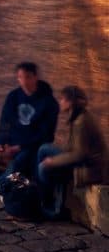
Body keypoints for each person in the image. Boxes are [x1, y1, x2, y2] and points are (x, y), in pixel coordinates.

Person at [0, 61, 58, 198]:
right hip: (10, 142)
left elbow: (46, 136)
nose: (24, 81)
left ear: (35, 77)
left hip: (30, 147)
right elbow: (4, 124)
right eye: (20, 78)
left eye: (28, 77)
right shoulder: (13, 96)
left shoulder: (49, 103)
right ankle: (0, 187)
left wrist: (16, 148)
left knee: (16, 164)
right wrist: (1, 144)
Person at [37, 86, 108, 220]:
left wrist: (53, 161)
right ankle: (43, 198)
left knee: (44, 167)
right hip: (84, 161)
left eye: (63, 99)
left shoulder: (81, 122)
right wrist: (59, 155)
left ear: (70, 102)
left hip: (88, 168)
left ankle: (54, 209)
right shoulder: (79, 116)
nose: (60, 102)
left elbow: (79, 155)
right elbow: (72, 147)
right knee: (44, 149)